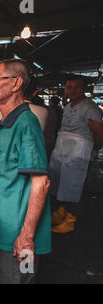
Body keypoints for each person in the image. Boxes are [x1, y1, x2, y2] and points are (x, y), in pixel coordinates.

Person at [0, 58, 51, 284]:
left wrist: (26, 237)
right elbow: (15, 159)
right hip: (2, 230)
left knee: (19, 279)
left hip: (19, 238)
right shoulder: (6, 123)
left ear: (16, 83)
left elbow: (41, 182)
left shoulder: (27, 123)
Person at [49, 75, 103, 233]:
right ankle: (61, 213)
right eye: (69, 87)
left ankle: (71, 219)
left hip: (79, 152)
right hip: (62, 150)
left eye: (77, 86)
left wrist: (92, 151)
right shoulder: (68, 106)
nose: (73, 90)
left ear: (84, 88)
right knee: (58, 183)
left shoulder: (90, 107)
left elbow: (99, 134)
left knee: (73, 185)